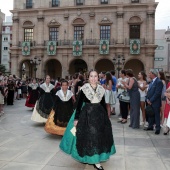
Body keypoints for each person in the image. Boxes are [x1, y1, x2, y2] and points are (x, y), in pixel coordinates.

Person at [60, 70, 116, 170]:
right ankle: (93, 160)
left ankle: (96, 159)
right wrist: (76, 118)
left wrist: (107, 119)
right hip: (87, 115)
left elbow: (103, 105)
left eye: (95, 76)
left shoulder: (101, 89)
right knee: (90, 136)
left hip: (99, 115)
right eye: (91, 76)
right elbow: (78, 105)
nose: (93, 78)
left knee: (99, 137)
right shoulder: (84, 89)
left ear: (98, 78)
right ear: (88, 77)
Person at [145, 69, 163, 135]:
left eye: (150, 73)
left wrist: (151, 100)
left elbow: (157, 93)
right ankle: (150, 126)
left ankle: (158, 128)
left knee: (156, 115)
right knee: (150, 114)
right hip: (150, 101)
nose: (149, 74)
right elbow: (149, 91)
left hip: (155, 102)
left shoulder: (159, 82)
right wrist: (147, 99)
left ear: (153, 74)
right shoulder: (151, 81)